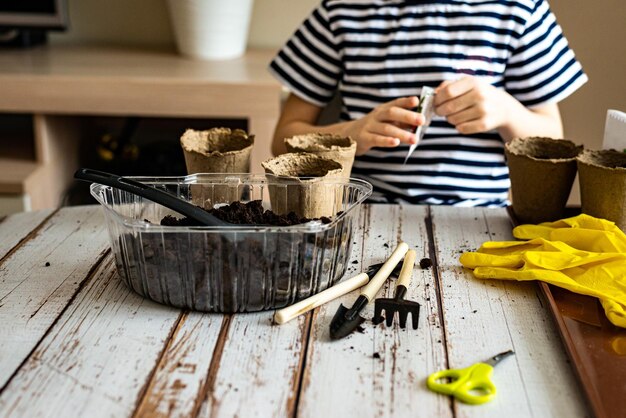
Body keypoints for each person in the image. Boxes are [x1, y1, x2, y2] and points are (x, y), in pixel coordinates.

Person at [268, 0, 587, 207]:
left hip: (482, 219)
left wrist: (506, 111)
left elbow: (552, 142)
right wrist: (350, 135)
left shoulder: (519, 10)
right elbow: (282, 141)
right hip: (364, 211)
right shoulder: (341, 11)